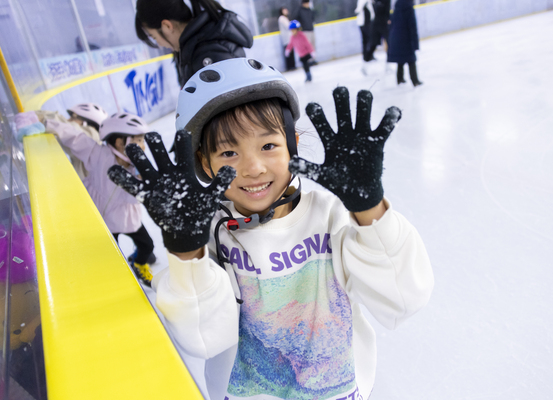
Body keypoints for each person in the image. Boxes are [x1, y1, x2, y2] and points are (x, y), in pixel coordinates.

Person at [108, 58, 434, 400]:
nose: (253, 168)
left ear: (292, 143)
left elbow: (403, 296)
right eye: (229, 152)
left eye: (268, 146)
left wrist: (369, 208)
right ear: (204, 162)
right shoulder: (209, 235)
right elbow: (203, 336)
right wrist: (186, 249)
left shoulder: (329, 217)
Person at [16, 111, 157, 287]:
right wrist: (44, 122)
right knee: (113, 258)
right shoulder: (98, 154)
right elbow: (73, 136)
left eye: (142, 141)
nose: (142, 146)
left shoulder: (139, 168)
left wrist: (141, 178)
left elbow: (135, 200)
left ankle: (138, 263)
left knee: (148, 246)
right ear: (121, 142)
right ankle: (118, 279)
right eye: (138, 140)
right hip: (102, 221)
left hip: (127, 219)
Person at [135, 0, 253, 87]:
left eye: (154, 37)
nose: (159, 44)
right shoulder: (190, 49)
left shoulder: (211, 52)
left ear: (166, 26)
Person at [34, 103, 107, 180]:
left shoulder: (92, 136)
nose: (68, 120)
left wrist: (41, 118)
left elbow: (69, 129)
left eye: (70, 119)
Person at [387, 0, 423, 86]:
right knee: (411, 59)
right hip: (406, 37)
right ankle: (415, 81)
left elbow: (392, 22)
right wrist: (415, 43)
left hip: (396, 37)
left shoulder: (397, 6)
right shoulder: (409, 7)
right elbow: (412, 25)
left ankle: (399, 78)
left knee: (401, 58)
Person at [355, 0, 375, 75]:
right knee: (367, 40)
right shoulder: (363, 1)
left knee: (367, 40)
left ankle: (368, 55)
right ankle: (367, 56)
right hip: (364, 24)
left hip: (365, 23)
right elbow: (358, 10)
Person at [278, 7, 296, 71]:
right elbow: (288, 26)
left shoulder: (285, 18)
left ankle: (292, 66)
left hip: (289, 38)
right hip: (286, 39)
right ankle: (290, 66)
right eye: (284, 10)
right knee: (289, 53)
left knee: (291, 52)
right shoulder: (282, 18)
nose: (286, 11)